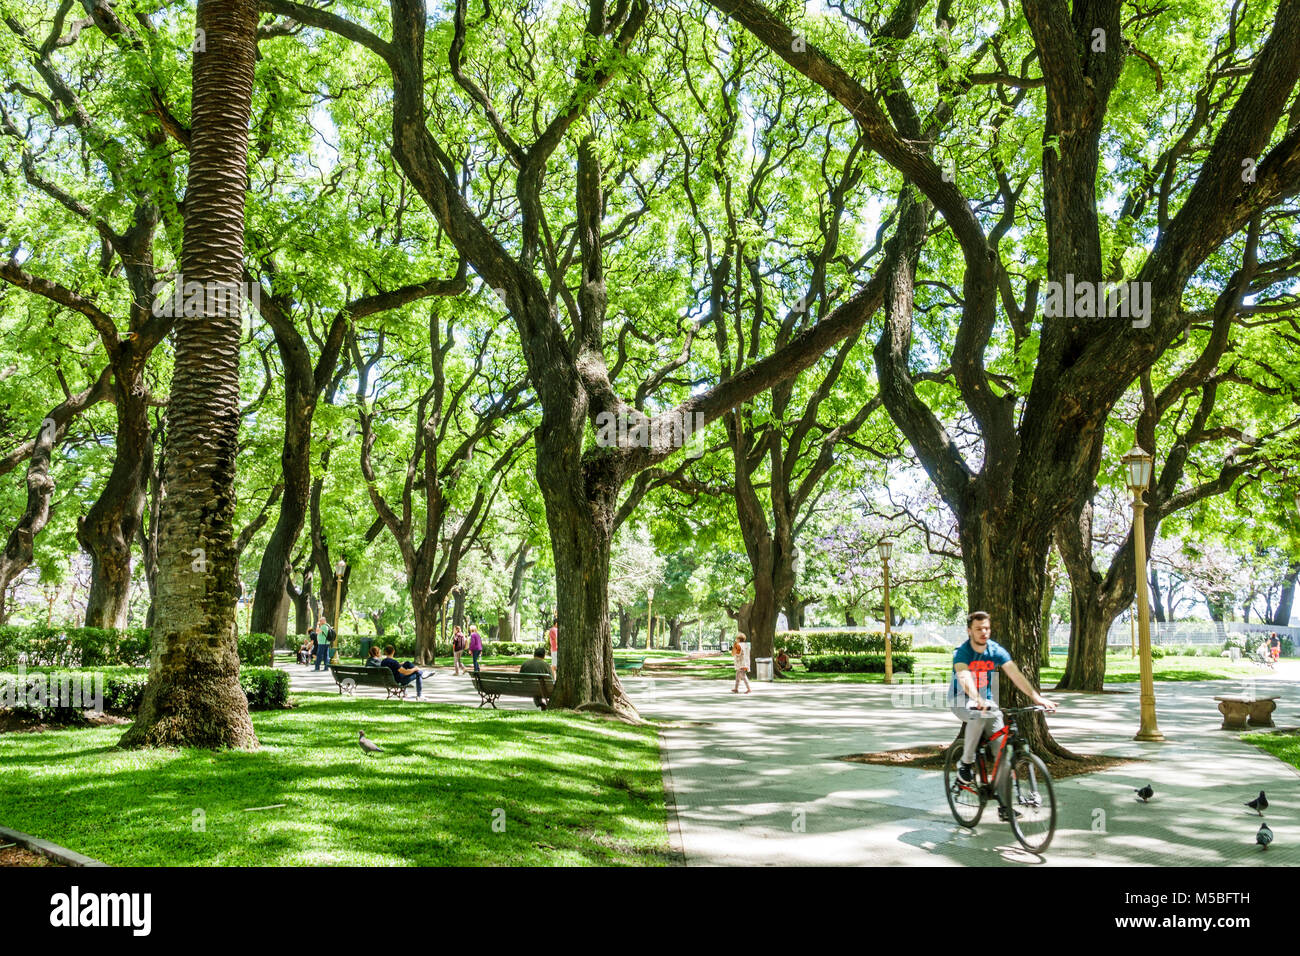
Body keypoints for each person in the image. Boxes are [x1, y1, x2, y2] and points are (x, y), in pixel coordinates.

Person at [950, 611, 1056, 820]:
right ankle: (966, 764)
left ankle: (1005, 806)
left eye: (987, 628)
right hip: (961, 700)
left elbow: (1015, 674)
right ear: (969, 630)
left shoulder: (995, 650)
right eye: (979, 629)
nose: (984, 632)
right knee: (977, 716)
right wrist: (976, 698)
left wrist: (1037, 698)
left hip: (987, 703)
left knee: (1003, 752)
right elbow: (964, 676)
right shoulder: (962, 652)